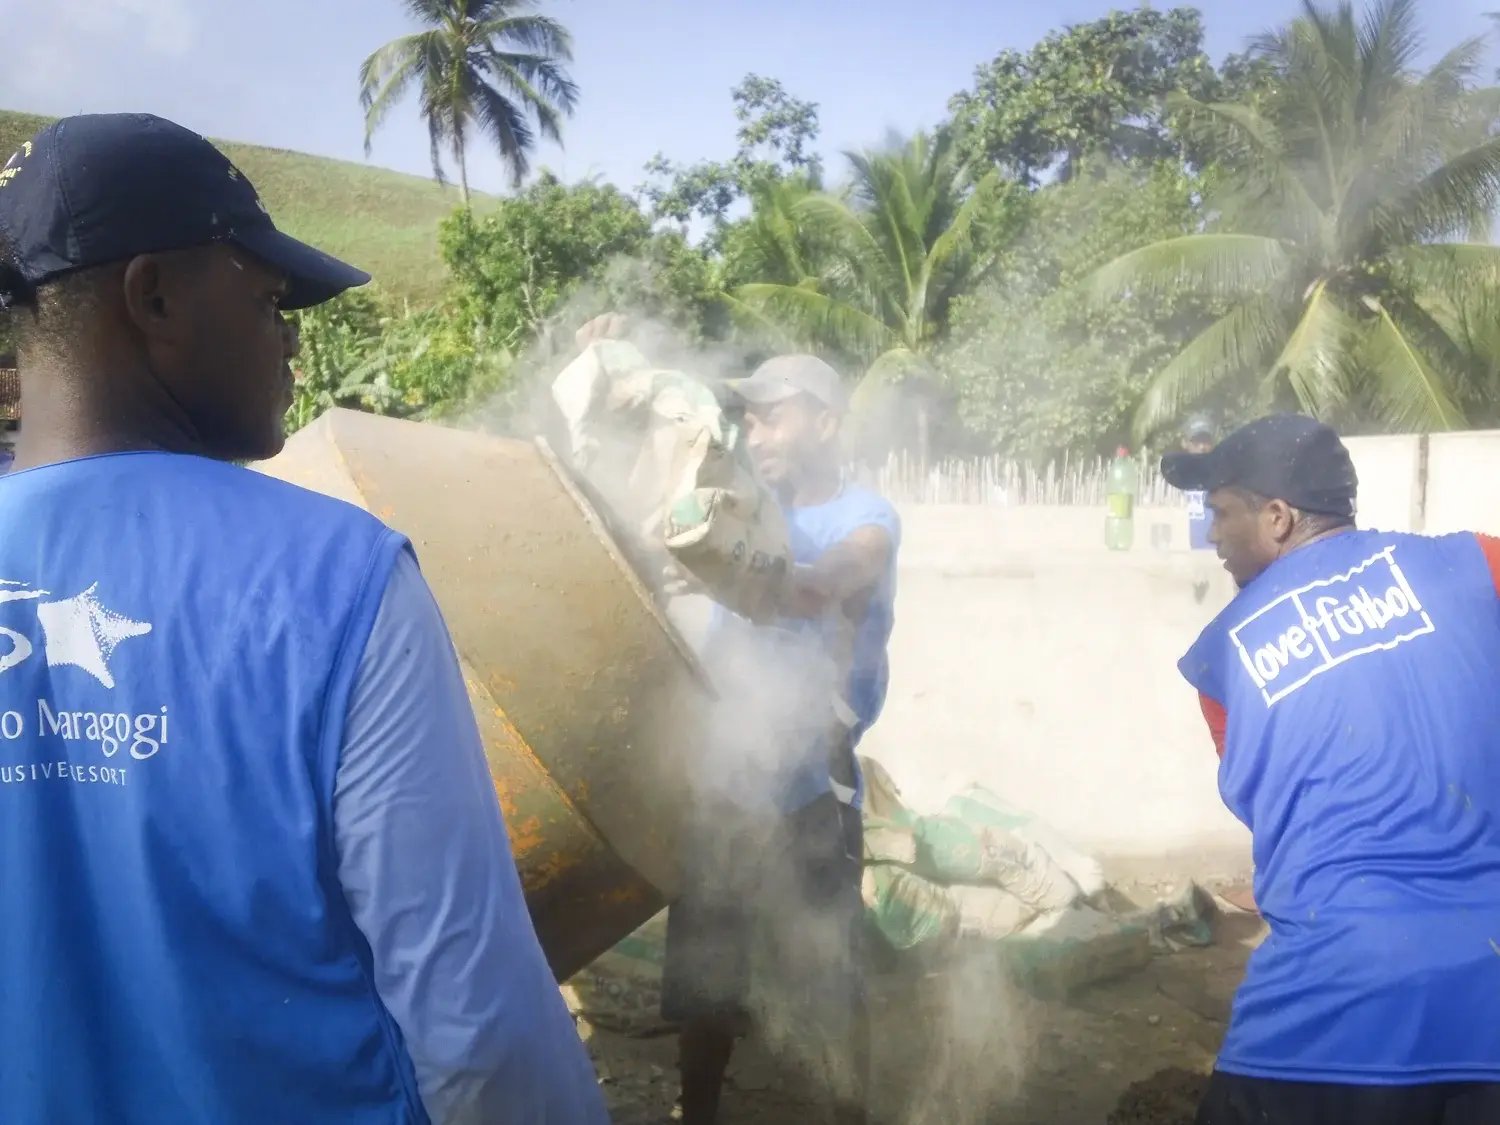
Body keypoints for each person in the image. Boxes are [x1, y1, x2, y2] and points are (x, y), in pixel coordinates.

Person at [0, 113, 606, 1124]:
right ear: (153, 295)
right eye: (270, 297)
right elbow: (479, 1037)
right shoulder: (340, 578)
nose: (290, 335)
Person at [1162, 413, 1500, 1125]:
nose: (1212, 534)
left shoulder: (1219, 663)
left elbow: (1281, 820)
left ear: (1277, 516)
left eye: (1222, 512)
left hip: (1329, 1015)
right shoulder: (1479, 563)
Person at [662, 353, 900, 1125]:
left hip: (809, 792)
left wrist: (731, 563)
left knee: (832, 976)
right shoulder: (749, 508)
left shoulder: (866, 520)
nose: (755, 430)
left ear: (826, 422)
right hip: (727, 775)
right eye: (750, 417)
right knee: (706, 983)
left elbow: (825, 580)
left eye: (773, 414)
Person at [1180, 415, 1215, 551]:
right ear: (1184, 443)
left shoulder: (1221, 477)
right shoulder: (1178, 478)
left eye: (1206, 442)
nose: (1202, 447)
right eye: (1196, 442)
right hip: (1184, 556)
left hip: (1214, 556)